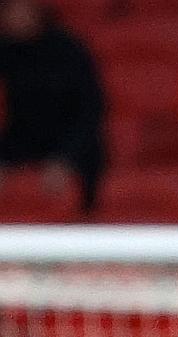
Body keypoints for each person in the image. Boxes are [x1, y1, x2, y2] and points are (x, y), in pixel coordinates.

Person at [0, 0, 105, 212]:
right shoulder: (5, 51)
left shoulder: (69, 50)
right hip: (20, 142)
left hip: (73, 142)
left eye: (23, 10)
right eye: (10, 12)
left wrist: (65, 159)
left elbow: (89, 111)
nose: (17, 17)